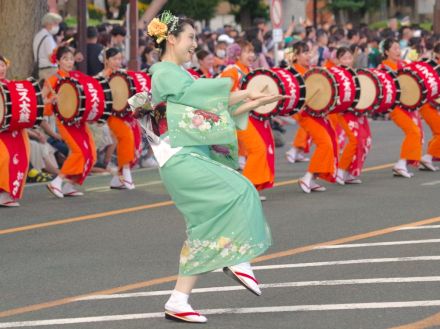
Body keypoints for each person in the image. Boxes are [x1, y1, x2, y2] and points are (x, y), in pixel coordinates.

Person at [143, 11, 279, 323]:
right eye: (190, 38)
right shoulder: (164, 72)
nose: (194, 44)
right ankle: (237, 258)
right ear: (172, 39)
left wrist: (251, 103)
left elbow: (211, 109)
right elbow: (201, 101)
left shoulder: (177, 73)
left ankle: (179, 299)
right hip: (179, 155)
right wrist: (244, 92)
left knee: (202, 228)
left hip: (188, 153)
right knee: (242, 190)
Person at [220, 40, 275, 200]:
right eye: (247, 51)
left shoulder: (249, 70)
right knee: (257, 149)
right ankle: (248, 189)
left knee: (257, 149)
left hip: (245, 116)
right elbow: (223, 96)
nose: (251, 55)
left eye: (252, 52)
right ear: (237, 54)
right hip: (235, 117)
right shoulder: (232, 71)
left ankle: (251, 188)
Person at [41, 46, 97, 198]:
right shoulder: (52, 80)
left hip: (80, 122)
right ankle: (57, 182)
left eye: (71, 59)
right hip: (65, 123)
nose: (69, 62)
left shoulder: (77, 76)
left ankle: (68, 185)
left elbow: (91, 91)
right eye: (65, 59)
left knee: (91, 154)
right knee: (79, 152)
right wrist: (50, 101)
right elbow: (41, 103)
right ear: (58, 61)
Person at [287, 42, 338, 193]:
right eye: (304, 53)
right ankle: (308, 177)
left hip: (317, 112)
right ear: (295, 56)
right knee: (325, 143)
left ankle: (313, 178)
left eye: (309, 52)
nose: (308, 55)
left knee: (331, 142)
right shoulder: (293, 72)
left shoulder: (311, 71)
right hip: (305, 114)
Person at [97, 47, 141, 189]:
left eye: (119, 59)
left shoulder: (124, 74)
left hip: (126, 115)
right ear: (106, 60)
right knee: (126, 136)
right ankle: (126, 173)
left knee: (134, 142)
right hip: (110, 115)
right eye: (114, 59)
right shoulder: (100, 77)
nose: (117, 62)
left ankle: (118, 179)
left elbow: (134, 92)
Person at [379, 38, 423, 178]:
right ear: (386, 52)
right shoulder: (383, 68)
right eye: (394, 48)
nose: (398, 51)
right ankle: (401, 163)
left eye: (399, 48)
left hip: (408, 105)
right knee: (413, 132)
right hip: (396, 107)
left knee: (416, 133)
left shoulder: (403, 64)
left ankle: (405, 163)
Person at [333, 47, 372, 184]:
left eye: (350, 58)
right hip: (344, 112)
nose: (348, 61)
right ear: (338, 60)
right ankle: (341, 170)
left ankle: (350, 172)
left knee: (365, 140)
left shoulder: (355, 73)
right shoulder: (335, 74)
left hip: (357, 112)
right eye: (344, 58)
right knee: (354, 140)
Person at [0, 55, 31, 207]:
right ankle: (3, 193)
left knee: (22, 158)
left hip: (15, 130)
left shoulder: (12, 85)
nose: (1, 69)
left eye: (2, 65)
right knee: (4, 158)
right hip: (1, 133)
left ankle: (7, 193)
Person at [418, 42, 440, 171]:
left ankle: (434, 154)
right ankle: (428, 157)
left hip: (432, 105)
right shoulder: (432, 67)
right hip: (427, 104)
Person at [32, 12, 62, 81]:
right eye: (56, 24)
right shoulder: (48, 38)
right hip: (49, 70)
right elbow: (51, 58)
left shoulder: (40, 35)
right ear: (48, 23)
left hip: (42, 68)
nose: (57, 26)